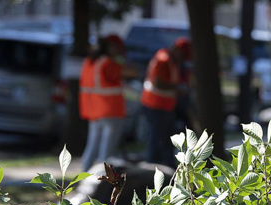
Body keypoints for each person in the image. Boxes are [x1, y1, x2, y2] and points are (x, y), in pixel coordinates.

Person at [79, 34, 138, 172]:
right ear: (111, 47)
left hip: (94, 111)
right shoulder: (108, 63)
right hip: (111, 111)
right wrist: (121, 60)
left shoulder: (90, 62)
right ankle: (101, 182)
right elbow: (132, 72)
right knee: (106, 153)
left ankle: (83, 180)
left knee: (92, 148)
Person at [140, 37, 191, 167]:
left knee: (166, 137)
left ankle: (166, 164)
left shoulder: (171, 60)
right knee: (157, 137)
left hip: (165, 105)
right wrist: (178, 89)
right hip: (155, 105)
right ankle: (152, 165)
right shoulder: (164, 60)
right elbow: (158, 82)